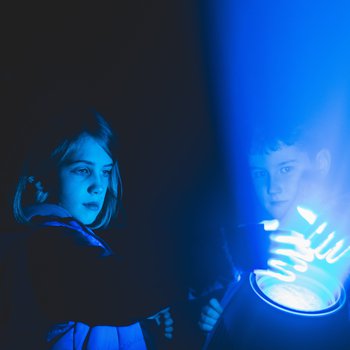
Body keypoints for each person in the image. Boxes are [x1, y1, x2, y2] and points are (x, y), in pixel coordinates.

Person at [6, 107, 173, 349]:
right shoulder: (48, 244)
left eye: (105, 172)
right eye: (83, 170)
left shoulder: (63, 238)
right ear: (42, 176)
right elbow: (118, 295)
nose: (98, 185)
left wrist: (147, 327)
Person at [198, 117, 350, 339]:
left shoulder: (338, 234)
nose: (272, 187)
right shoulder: (245, 244)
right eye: (260, 173)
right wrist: (222, 319)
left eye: (286, 169)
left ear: (321, 164)